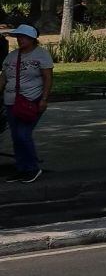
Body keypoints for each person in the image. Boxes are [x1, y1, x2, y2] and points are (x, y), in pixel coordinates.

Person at [2, 24, 52, 182]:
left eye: (23, 37)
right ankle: (21, 168)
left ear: (32, 39)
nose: (20, 40)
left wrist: (44, 99)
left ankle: (32, 167)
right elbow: (4, 76)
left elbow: (48, 78)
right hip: (11, 101)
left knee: (23, 134)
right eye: (18, 37)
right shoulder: (12, 56)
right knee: (16, 136)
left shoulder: (41, 55)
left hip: (32, 100)